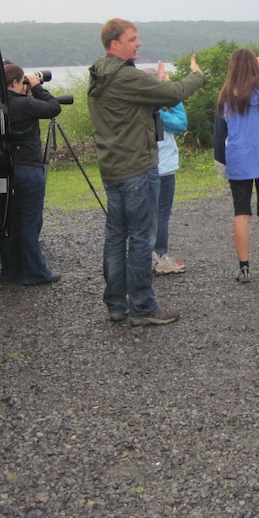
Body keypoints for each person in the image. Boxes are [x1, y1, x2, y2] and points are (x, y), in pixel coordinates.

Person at [87, 18, 204, 325]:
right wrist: (196, 75)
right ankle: (143, 307)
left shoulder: (100, 74)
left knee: (116, 235)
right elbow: (173, 93)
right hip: (137, 167)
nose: (139, 43)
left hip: (113, 166)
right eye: (133, 39)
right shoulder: (125, 76)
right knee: (141, 237)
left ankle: (116, 304)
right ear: (115, 44)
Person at [214, 49, 259, 282]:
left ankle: (244, 267)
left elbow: (219, 134)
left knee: (241, 213)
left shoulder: (226, 95)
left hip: (238, 160)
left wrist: (221, 164)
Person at [0, 64, 62, 286]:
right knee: (29, 221)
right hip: (27, 167)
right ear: (16, 82)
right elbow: (53, 107)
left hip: (4, 169)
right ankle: (34, 271)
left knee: (9, 221)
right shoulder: (24, 104)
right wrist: (36, 86)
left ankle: (10, 271)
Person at [154, 100, 188, 274]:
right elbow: (181, 123)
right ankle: (160, 257)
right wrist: (170, 102)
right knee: (161, 213)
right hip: (163, 164)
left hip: (139, 164)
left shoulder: (133, 100)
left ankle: (144, 257)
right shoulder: (160, 106)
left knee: (143, 213)